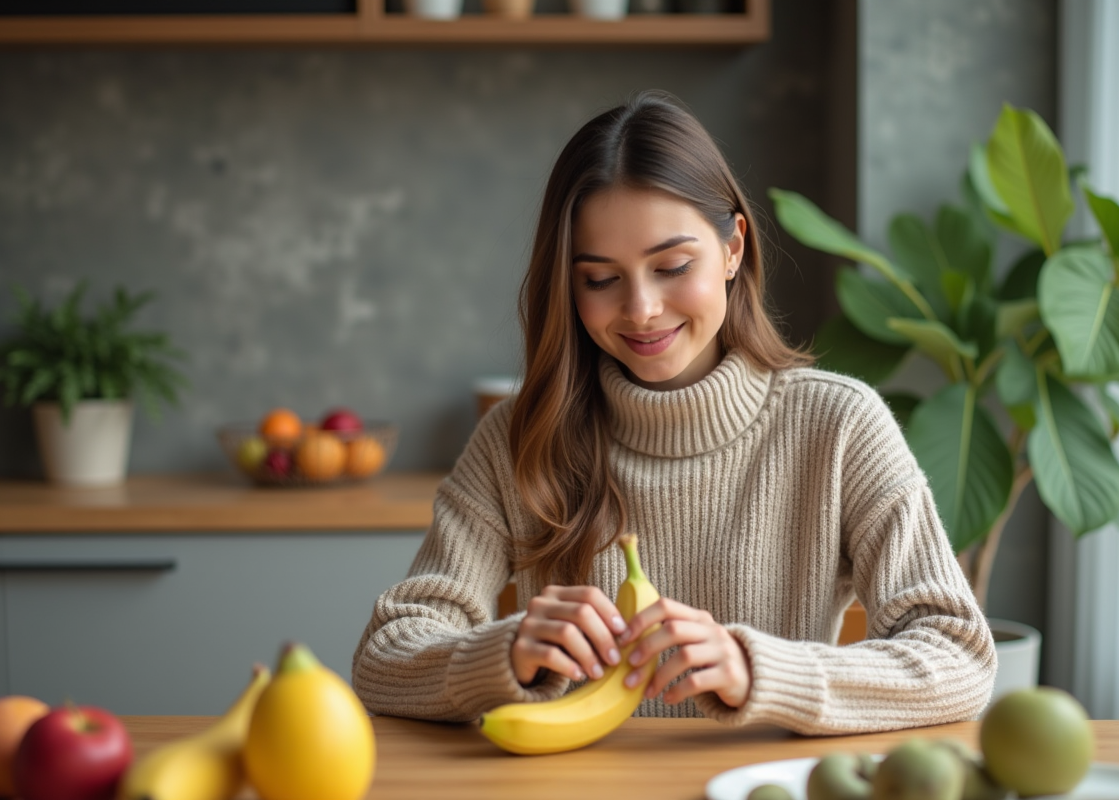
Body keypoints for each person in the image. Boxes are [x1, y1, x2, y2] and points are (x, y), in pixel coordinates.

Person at [352, 90, 997, 733]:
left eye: (672, 266)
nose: (641, 309)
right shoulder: (520, 438)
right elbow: (385, 656)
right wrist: (503, 653)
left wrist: (759, 670)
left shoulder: (840, 428)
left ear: (733, 249)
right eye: (600, 280)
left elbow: (959, 655)